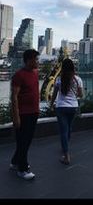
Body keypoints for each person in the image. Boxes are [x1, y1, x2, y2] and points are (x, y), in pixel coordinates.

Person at [9, 49, 40, 180]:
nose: (37, 61)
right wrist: (16, 117)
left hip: (33, 113)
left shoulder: (35, 73)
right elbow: (14, 97)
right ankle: (22, 169)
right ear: (28, 60)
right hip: (23, 114)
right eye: (35, 59)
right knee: (24, 142)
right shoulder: (19, 75)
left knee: (26, 141)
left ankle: (15, 162)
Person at [51, 58, 83, 165]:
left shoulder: (59, 79)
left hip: (61, 108)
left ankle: (66, 155)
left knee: (63, 131)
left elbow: (54, 94)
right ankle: (66, 146)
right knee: (69, 129)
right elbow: (80, 95)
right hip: (73, 107)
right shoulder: (77, 79)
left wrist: (51, 105)